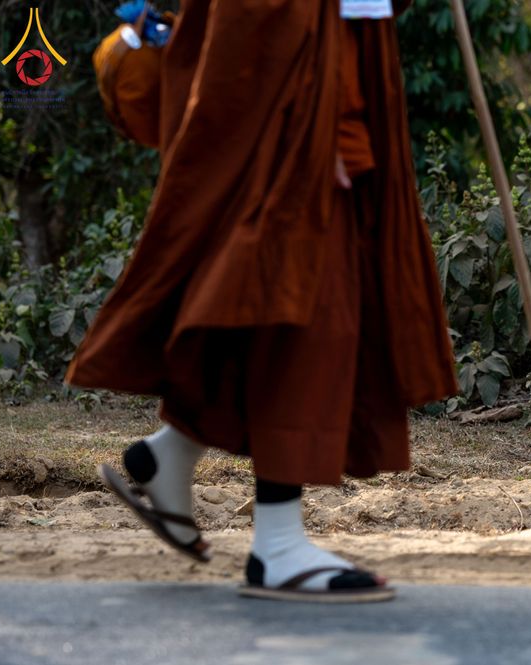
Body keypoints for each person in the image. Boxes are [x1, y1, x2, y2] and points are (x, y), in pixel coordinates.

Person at [68, 0, 457, 602]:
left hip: (331, 79)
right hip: (296, 96)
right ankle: (276, 547)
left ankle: (168, 454)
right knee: (306, 318)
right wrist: (308, 115)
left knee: (275, 305)